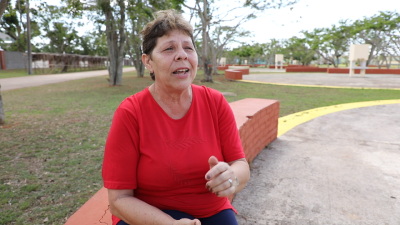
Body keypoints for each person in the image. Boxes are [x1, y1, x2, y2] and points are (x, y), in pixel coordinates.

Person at [102, 9, 250, 225]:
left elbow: (240, 164)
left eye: (188, 48)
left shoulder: (215, 102)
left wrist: (231, 178)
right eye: (169, 48)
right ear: (148, 62)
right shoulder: (130, 113)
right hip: (147, 217)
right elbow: (119, 200)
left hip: (211, 212)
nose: (182, 55)